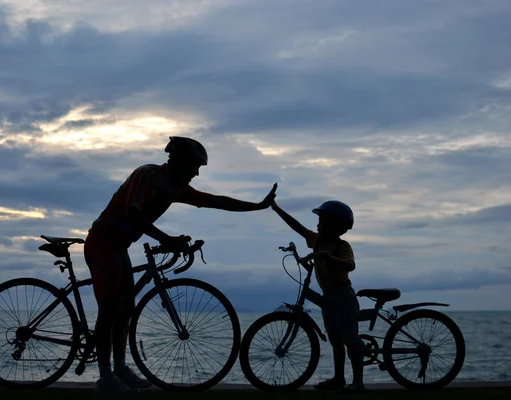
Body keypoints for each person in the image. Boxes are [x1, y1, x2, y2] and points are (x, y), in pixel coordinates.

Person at [84, 136, 277, 392]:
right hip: (102, 243)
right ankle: (105, 377)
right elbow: (134, 213)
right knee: (110, 309)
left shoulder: (175, 188)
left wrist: (258, 206)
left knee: (126, 309)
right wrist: (167, 239)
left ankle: (120, 369)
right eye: (195, 166)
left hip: (119, 247)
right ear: (180, 161)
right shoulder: (148, 175)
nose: (197, 173)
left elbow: (217, 201)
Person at [270, 199, 366, 392]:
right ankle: (339, 379)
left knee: (350, 341)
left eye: (322, 220)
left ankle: (358, 382)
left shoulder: (342, 246)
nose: (318, 224)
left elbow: (350, 265)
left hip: (343, 297)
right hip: (328, 297)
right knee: (335, 340)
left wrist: (330, 258)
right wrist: (275, 207)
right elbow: (297, 227)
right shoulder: (317, 241)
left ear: (334, 225)